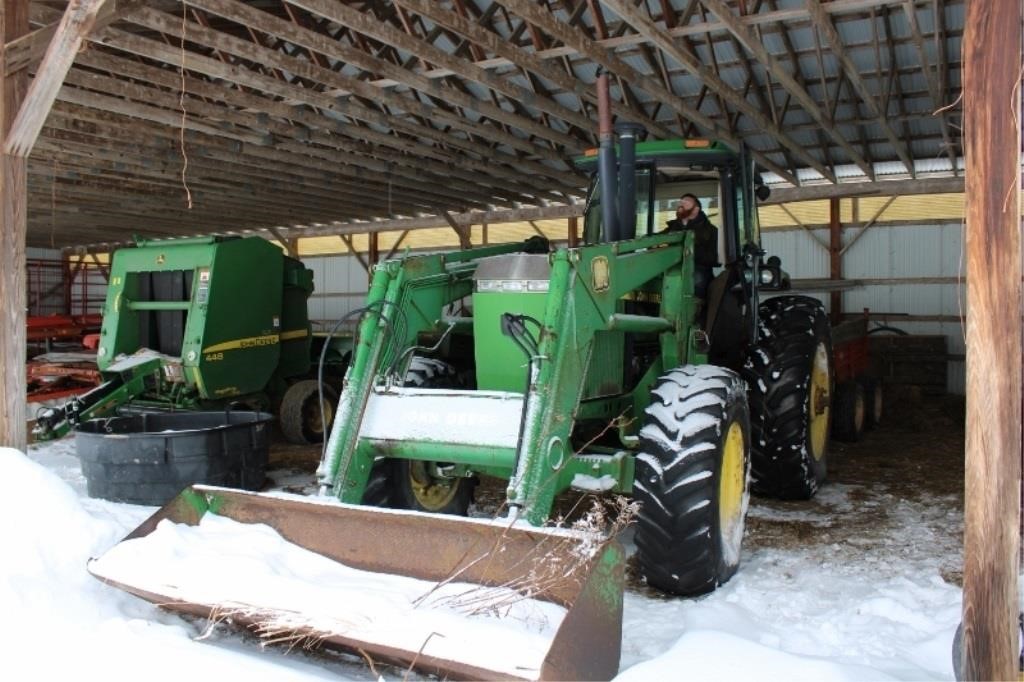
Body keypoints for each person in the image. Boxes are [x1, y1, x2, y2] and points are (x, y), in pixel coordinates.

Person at [664, 193, 718, 298]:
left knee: (696, 280)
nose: (681, 204)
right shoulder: (671, 228)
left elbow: (713, 258)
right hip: (672, 268)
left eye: (686, 202)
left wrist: (691, 252)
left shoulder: (711, 231)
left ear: (696, 209)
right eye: (681, 202)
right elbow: (657, 241)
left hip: (697, 269)